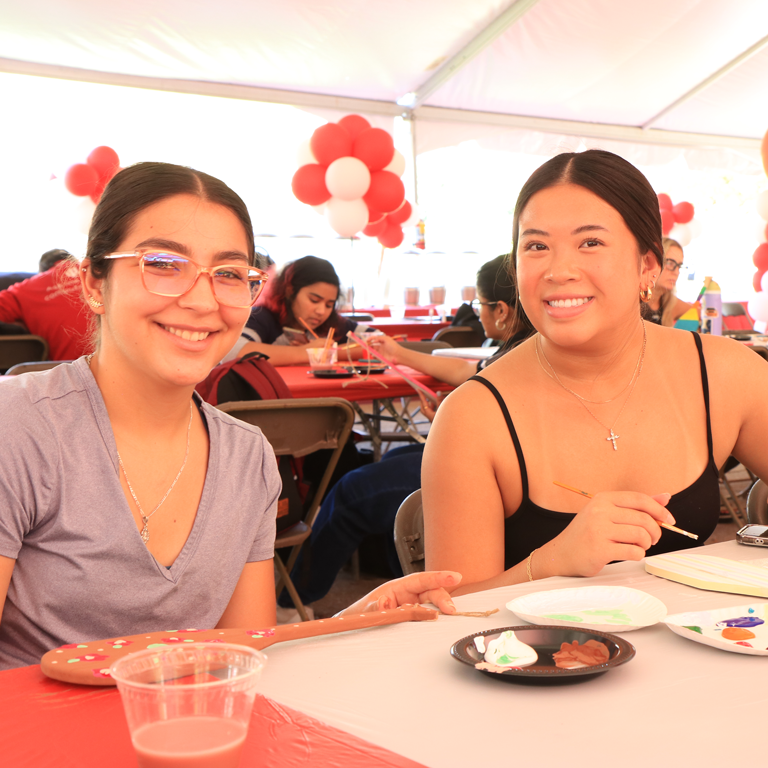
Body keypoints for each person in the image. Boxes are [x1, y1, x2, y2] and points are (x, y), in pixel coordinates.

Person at [0, 161, 459, 671]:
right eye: (163, 263)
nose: (202, 301)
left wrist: (353, 620)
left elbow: (241, 659)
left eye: (228, 274)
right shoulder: (19, 428)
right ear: (92, 282)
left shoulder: (247, 455)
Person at [422, 149, 768, 596]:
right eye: (537, 246)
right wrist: (550, 562)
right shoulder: (472, 418)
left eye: (590, 242)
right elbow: (445, 614)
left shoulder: (725, 373)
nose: (559, 270)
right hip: (540, 661)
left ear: (647, 264)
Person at [278, 256, 533, 612]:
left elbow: (470, 377)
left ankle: (291, 600)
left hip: (487, 466)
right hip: (486, 455)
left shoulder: (521, 354)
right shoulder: (519, 351)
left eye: (479, 305)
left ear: (502, 310)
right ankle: (397, 573)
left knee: (354, 489)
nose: (476, 314)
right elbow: (470, 373)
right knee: (390, 459)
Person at [225, 255, 374, 365]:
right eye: (314, 300)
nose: (322, 311)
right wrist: (306, 352)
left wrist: (329, 352)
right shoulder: (264, 317)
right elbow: (232, 351)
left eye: (329, 305)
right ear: (290, 291)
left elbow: (379, 343)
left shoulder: (332, 324)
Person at [0, 251, 91, 359]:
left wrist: (22, 322)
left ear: (42, 271)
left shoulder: (25, 289)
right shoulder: (98, 273)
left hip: (71, 369)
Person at [646, 238, 695, 326]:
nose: (676, 272)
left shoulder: (671, 303)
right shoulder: (635, 301)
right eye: (670, 263)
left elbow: (699, 311)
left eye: (679, 266)